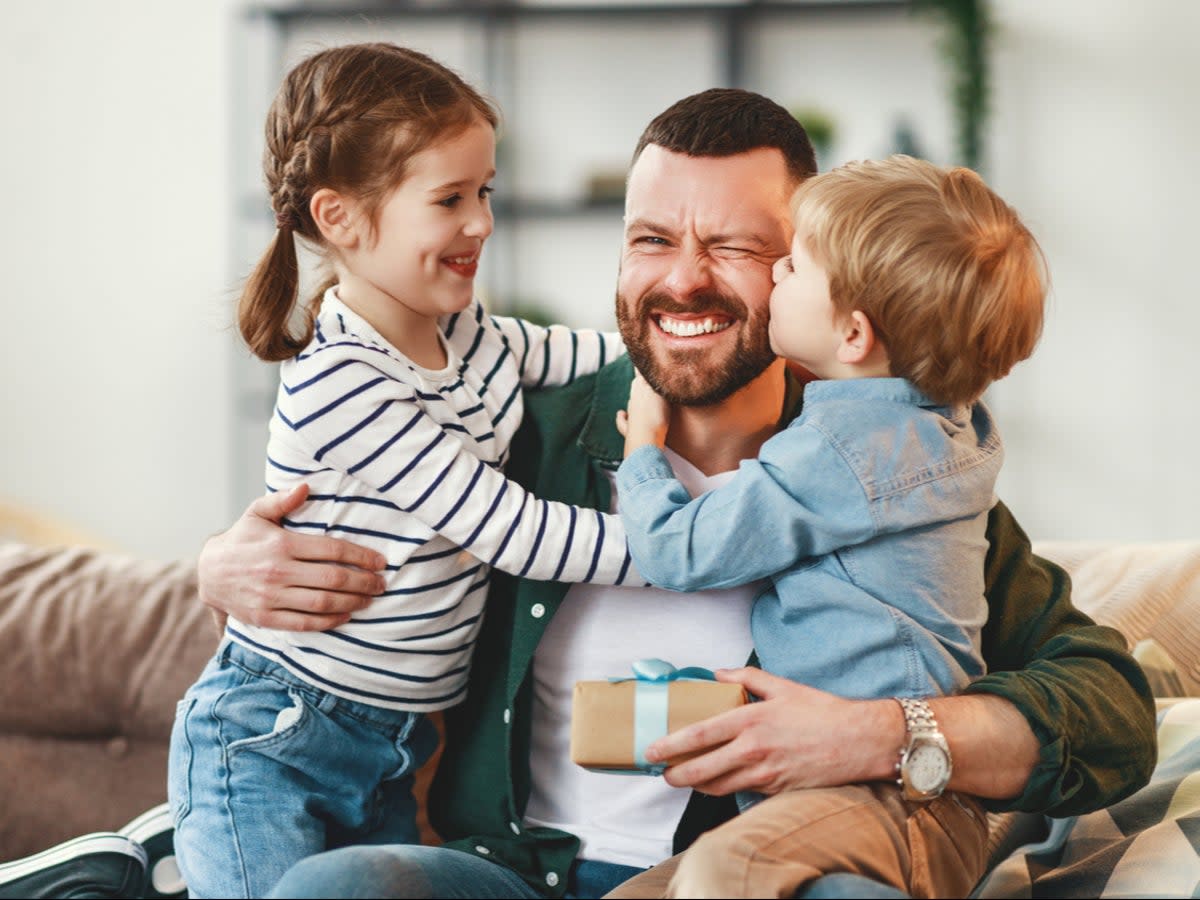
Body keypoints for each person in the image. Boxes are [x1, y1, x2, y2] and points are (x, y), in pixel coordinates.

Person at [195, 88, 1155, 900]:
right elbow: (345, 526)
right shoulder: (516, 433)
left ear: (815, 274)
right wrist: (219, 566)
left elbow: (1111, 713)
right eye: (652, 238)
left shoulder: (888, 472)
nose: (684, 279)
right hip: (519, 877)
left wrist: (872, 734)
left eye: (738, 247)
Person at [167, 42, 637, 900]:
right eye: (450, 199)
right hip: (278, 736)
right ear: (342, 218)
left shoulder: (467, 332)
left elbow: (594, 355)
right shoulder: (342, 381)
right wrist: (679, 546)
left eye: (484, 192)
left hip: (393, 746)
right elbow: (507, 527)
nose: (482, 222)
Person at [608, 154, 1046, 898]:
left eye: (792, 267)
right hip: (882, 808)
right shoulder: (941, 431)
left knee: (726, 869)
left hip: (891, 804)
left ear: (852, 335)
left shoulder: (844, 452)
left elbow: (677, 552)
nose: (777, 276)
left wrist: (643, 452)